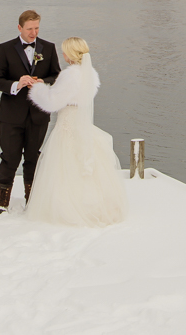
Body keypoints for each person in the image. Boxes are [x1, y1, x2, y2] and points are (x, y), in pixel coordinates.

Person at [24, 37, 128, 227]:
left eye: (64, 51)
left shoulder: (69, 75)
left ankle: (66, 207)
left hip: (68, 122)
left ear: (69, 54)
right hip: (82, 123)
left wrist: (37, 88)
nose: (62, 54)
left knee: (63, 162)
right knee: (84, 162)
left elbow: (52, 101)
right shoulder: (91, 74)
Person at [0, 9, 60, 214]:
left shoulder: (48, 47)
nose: (33, 33)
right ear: (19, 28)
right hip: (11, 115)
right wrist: (16, 84)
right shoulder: (5, 48)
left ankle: (32, 201)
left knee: (33, 158)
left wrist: (43, 82)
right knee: (9, 157)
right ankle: (1, 203)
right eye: (29, 29)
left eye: (37, 28)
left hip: (38, 114)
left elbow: (56, 75)